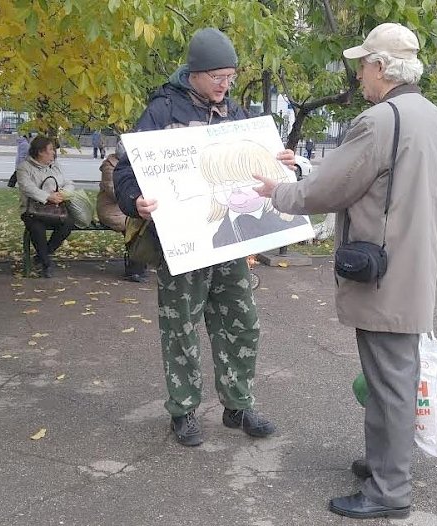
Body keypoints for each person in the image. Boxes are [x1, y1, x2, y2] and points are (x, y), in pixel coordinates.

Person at [254, 22, 437, 519]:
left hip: (383, 275)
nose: (359, 72)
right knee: (391, 377)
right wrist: (304, 168)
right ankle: (383, 465)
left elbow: (329, 192)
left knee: (389, 383)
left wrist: (276, 191)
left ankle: (389, 491)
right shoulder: (435, 119)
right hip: (415, 268)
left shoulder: (380, 120)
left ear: (382, 68)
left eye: (363, 63)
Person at [114, 27, 296, 447]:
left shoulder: (233, 112)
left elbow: (251, 165)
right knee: (180, 328)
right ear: (194, 72)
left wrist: (280, 161)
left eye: (230, 77)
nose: (225, 84)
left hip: (227, 245)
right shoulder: (161, 111)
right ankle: (183, 411)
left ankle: (238, 404)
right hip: (182, 246)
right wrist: (134, 199)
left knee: (241, 321)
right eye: (218, 76)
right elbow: (124, 171)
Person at [199, 140, 307, 248]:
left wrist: (285, 165)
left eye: (244, 180)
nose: (235, 189)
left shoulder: (292, 224)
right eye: (222, 182)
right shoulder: (211, 235)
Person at [17, 136, 75, 278]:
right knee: (37, 229)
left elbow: (69, 183)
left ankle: (43, 254)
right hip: (33, 211)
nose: (54, 153)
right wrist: (47, 196)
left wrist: (63, 193)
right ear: (40, 152)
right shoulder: (24, 167)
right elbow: (27, 187)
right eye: (50, 150)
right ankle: (46, 264)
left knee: (68, 223)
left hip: (55, 209)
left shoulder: (55, 166)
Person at [96, 152, 148, 282]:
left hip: (130, 208)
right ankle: (134, 269)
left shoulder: (136, 162)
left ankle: (139, 264)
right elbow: (114, 192)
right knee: (133, 227)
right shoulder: (109, 167)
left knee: (143, 225)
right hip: (111, 209)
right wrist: (136, 194)